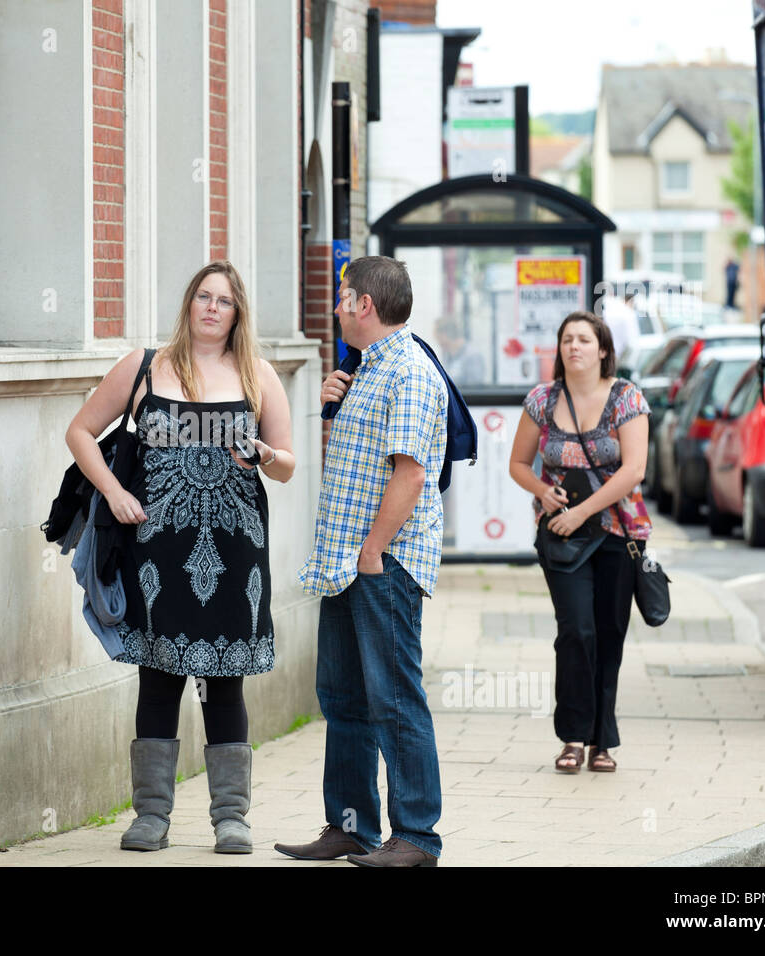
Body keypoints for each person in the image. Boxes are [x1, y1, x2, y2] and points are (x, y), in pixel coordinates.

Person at [64, 260, 295, 854]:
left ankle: (231, 818)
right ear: (188, 305)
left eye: (223, 300)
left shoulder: (258, 374)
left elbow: (291, 464)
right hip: (155, 552)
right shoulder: (146, 367)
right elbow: (81, 432)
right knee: (158, 677)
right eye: (202, 297)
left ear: (237, 312)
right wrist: (114, 494)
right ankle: (152, 816)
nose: (212, 308)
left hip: (235, 550)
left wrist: (266, 455)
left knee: (226, 682)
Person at [276, 255, 448, 868]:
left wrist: (373, 551)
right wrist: (331, 404)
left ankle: (417, 839)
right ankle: (351, 826)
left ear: (364, 306)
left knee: (395, 698)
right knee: (344, 698)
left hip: (383, 563)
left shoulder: (407, 371)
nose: (336, 306)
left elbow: (410, 472)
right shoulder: (363, 370)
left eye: (342, 297)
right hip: (346, 563)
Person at [507, 310, 651, 775]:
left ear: (603, 349)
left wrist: (583, 512)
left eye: (584, 340)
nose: (574, 347)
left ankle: (601, 741)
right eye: (567, 339)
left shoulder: (626, 398)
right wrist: (543, 492)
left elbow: (633, 470)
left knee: (609, 635)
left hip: (616, 535)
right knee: (575, 632)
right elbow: (518, 464)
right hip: (561, 541)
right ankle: (572, 736)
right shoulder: (542, 400)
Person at [434, 317, 486, 385]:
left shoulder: (472, 356)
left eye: (438, 338)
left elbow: (475, 387)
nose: (438, 343)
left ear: (445, 335)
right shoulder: (447, 356)